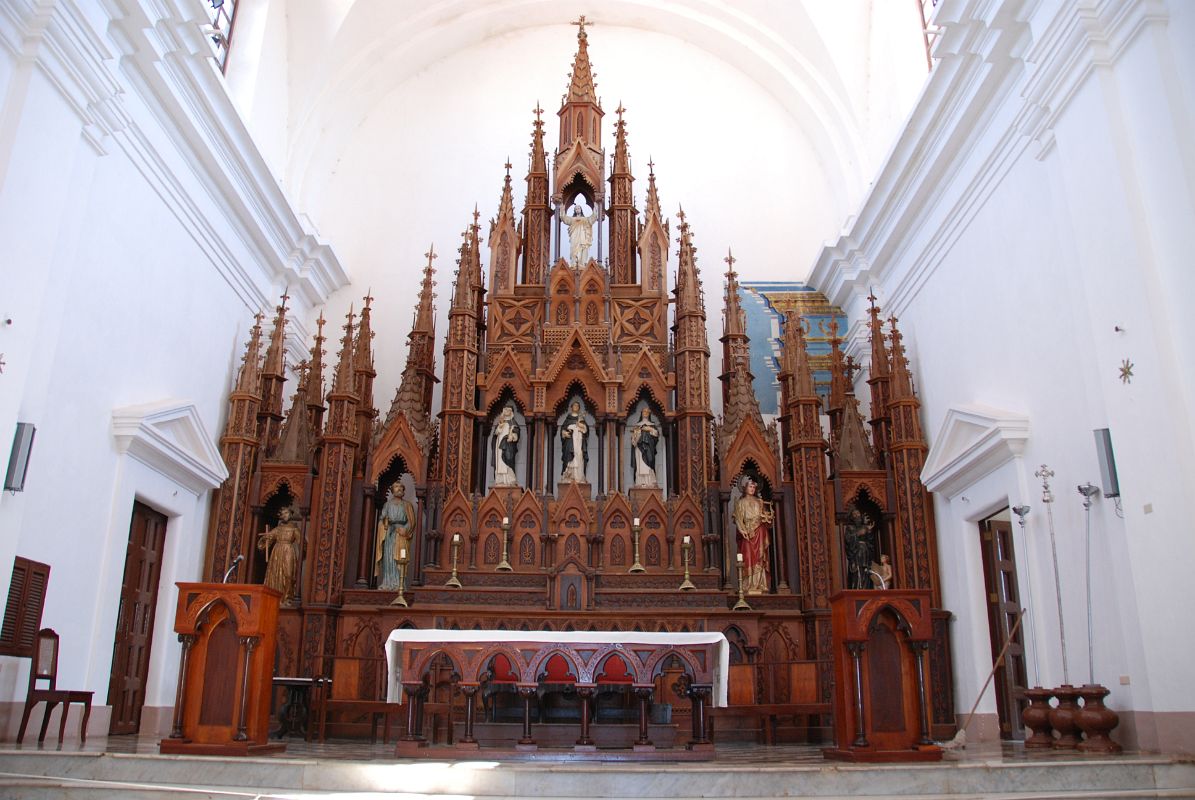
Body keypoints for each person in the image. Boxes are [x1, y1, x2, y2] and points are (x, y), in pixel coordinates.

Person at [732, 477, 772, 594]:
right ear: (745, 488)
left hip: (759, 532)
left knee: (760, 557)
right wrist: (743, 530)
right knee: (748, 557)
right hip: (748, 534)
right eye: (750, 486)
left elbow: (766, 517)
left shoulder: (760, 502)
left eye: (754, 487)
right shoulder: (741, 502)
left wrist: (767, 518)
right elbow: (738, 519)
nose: (752, 489)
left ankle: (760, 584)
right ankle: (748, 584)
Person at [375, 481, 415, 590]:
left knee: (400, 559)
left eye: (401, 487)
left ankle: (399, 583)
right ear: (392, 490)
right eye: (396, 487)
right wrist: (385, 524)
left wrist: (405, 529)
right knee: (389, 559)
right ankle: (387, 582)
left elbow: (411, 521)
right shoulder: (387, 505)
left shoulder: (407, 505)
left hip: (401, 535)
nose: (399, 489)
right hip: (389, 535)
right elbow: (382, 519)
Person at [258, 506, 301, 603]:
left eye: (287, 513)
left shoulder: (294, 528)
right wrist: (265, 538)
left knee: (289, 574)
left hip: (288, 551)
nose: (285, 515)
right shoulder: (278, 529)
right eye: (283, 514)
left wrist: (304, 553)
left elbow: (302, 543)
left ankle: (288, 598)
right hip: (277, 551)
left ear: (290, 514)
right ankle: (274, 598)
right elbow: (268, 539)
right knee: (275, 573)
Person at [843, 507, 875, 590]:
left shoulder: (865, 526)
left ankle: (866, 589)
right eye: (855, 514)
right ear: (852, 517)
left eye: (858, 514)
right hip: (856, 555)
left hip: (865, 554)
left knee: (866, 573)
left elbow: (870, 541)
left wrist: (869, 531)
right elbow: (848, 540)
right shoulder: (850, 528)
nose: (857, 515)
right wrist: (858, 534)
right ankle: (858, 589)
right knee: (857, 574)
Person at [629, 407, 659, 487]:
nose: (645, 413)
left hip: (649, 448)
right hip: (639, 448)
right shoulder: (637, 425)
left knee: (649, 463)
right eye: (644, 411)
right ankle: (640, 482)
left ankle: (650, 482)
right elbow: (633, 441)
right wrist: (637, 433)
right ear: (641, 413)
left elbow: (656, 436)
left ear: (649, 414)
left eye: (647, 412)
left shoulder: (652, 425)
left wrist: (649, 429)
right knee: (640, 464)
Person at [560, 400, 589, 483]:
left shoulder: (581, 419)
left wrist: (582, 426)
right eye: (574, 405)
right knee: (569, 458)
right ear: (571, 407)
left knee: (579, 456)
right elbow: (563, 429)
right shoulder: (568, 419)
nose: (576, 407)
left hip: (579, 442)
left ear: (579, 408)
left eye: (577, 406)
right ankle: (569, 476)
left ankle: (578, 477)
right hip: (570, 442)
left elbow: (586, 431)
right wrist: (564, 433)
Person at [491, 405, 520, 486]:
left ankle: (510, 480)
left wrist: (512, 436)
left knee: (509, 460)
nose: (507, 411)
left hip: (508, 446)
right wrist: (499, 427)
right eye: (505, 410)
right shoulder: (500, 422)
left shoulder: (513, 423)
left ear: (511, 412)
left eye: (508, 410)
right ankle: (500, 481)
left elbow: (516, 433)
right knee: (499, 461)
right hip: (499, 445)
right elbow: (495, 434)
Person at [562, 203, 597, 267]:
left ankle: (582, 264)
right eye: (576, 209)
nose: (577, 210)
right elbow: (564, 219)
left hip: (583, 237)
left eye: (578, 208)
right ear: (574, 211)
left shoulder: (585, 219)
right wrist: (562, 209)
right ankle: (574, 264)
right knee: (574, 250)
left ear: (581, 209)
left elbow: (593, 218)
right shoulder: (572, 219)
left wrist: (596, 207)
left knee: (583, 249)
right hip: (574, 237)